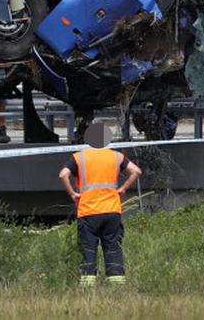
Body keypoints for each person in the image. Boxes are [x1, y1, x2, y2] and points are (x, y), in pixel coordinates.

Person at [58, 121, 142, 286]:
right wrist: (123, 189)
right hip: (112, 210)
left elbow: (63, 175)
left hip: (88, 211)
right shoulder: (117, 156)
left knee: (88, 250)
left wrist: (73, 194)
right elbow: (136, 171)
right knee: (113, 248)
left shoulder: (79, 157)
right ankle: (117, 286)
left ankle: (88, 287)